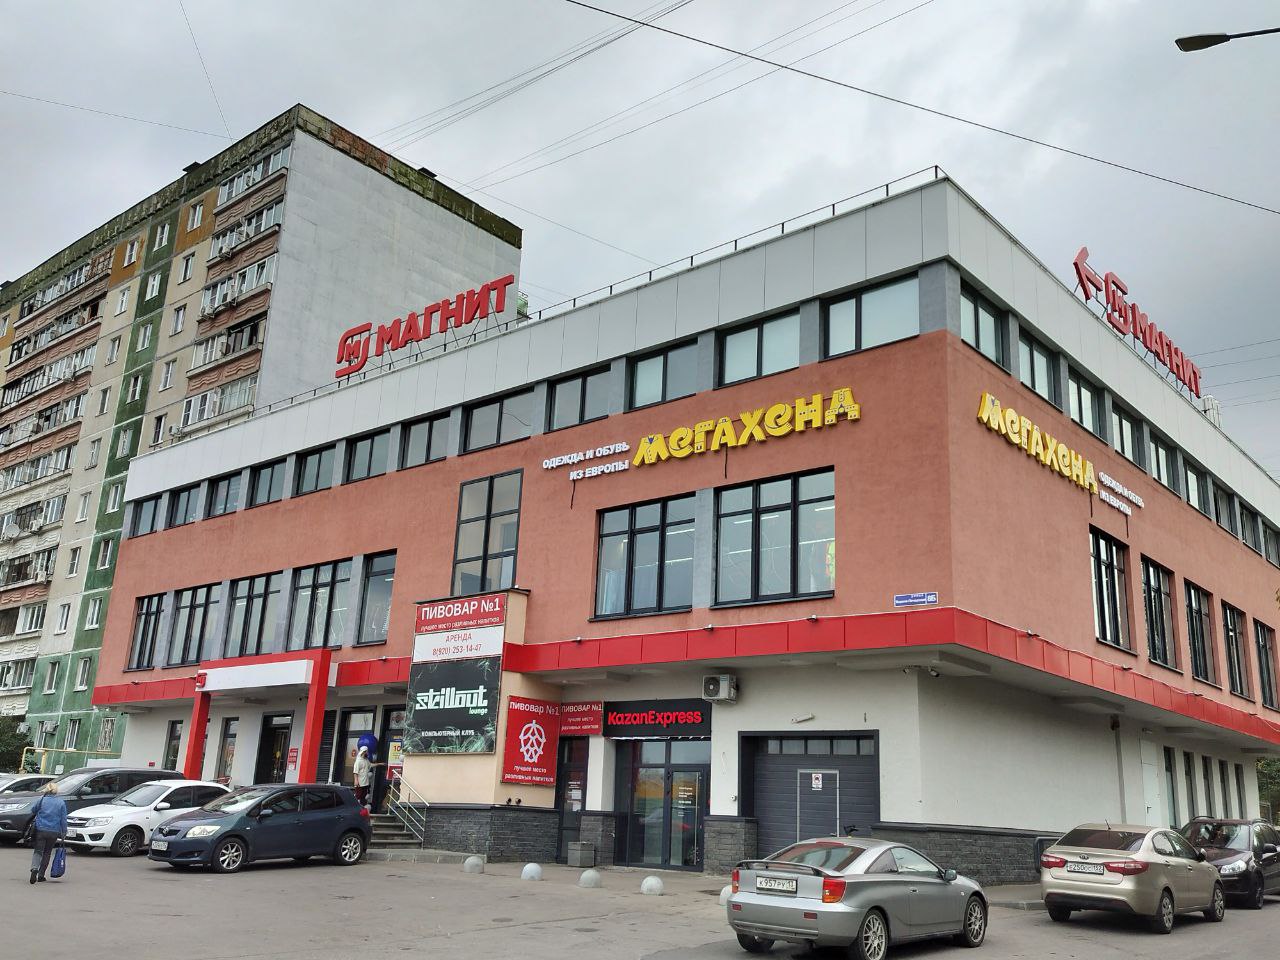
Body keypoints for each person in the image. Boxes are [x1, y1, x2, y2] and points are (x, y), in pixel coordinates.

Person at [28, 781, 67, 884]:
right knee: (47, 852)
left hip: (41, 829)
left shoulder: (41, 800)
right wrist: (64, 832)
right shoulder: (61, 803)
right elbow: (63, 819)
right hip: (54, 831)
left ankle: (34, 868)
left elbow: (33, 810)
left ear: (47, 790)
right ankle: (41, 875)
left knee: (38, 851)